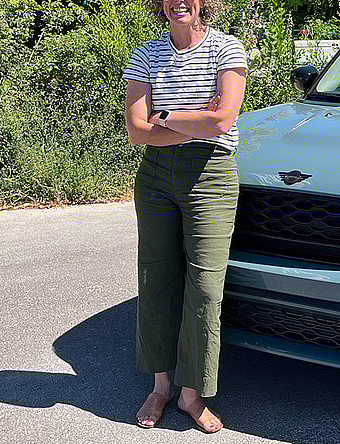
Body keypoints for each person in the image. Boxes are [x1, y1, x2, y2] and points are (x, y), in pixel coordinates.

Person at [122, 0, 247, 434]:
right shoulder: (146, 54)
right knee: (156, 279)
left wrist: (167, 115)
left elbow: (222, 122)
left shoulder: (226, 49)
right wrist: (196, 119)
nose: (178, 1)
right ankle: (161, 387)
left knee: (205, 285)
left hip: (211, 173)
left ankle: (192, 394)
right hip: (155, 176)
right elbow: (136, 130)